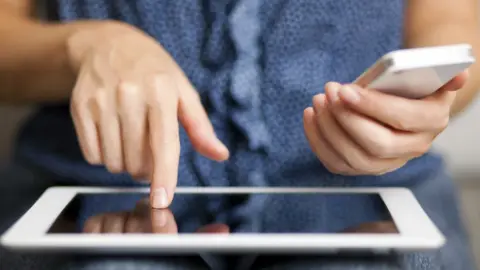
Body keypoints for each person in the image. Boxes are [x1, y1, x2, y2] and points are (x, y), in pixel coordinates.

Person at [0, 0, 478, 269]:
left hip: (368, 205)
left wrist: (420, 99)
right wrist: (85, 46)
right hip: (95, 202)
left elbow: (456, 24)